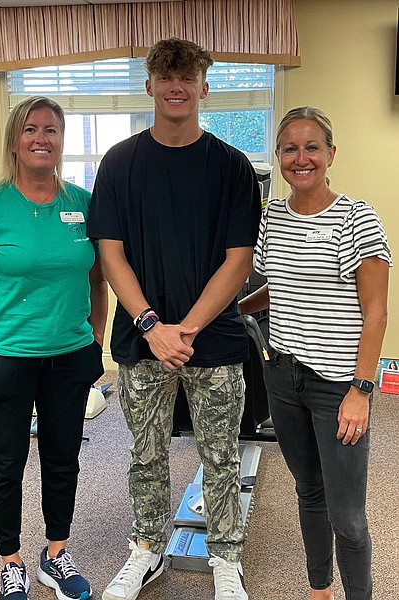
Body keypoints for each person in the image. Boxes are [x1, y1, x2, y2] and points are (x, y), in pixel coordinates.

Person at [88, 38, 261, 600]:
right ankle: (145, 551)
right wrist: (151, 326)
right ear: (150, 86)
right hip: (143, 343)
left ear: (204, 86)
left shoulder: (232, 167)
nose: (176, 86)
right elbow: (109, 252)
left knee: (221, 455)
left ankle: (226, 557)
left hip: (214, 342)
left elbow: (240, 261)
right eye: (166, 77)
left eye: (188, 77)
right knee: (146, 452)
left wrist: (183, 328)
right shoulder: (119, 162)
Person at [239, 106, 392, 600]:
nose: (300, 158)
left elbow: (376, 313)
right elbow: (277, 287)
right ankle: (319, 589)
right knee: (308, 490)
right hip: (284, 379)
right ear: (279, 156)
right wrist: (230, 310)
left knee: (347, 516)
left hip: (338, 388)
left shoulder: (356, 218)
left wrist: (361, 391)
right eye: (289, 148)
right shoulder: (272, 220)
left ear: (330, 154)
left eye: (311, 147)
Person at [0, 96, 107, 600]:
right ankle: (10, 559)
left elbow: (97, 280)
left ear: (62, 140)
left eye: (51, 129)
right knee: (4, 463)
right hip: (2, 357)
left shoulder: (84, 203)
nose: (41, 138)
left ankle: (56, 552)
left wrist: (97, 339)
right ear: (15, 139)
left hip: (70, 356)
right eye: (31, 129)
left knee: (62, 457)